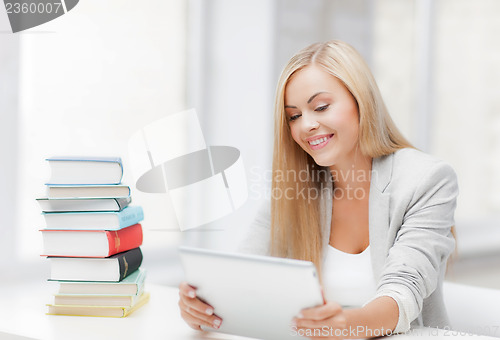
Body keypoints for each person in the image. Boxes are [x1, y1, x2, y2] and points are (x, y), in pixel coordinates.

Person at [178, 40, 458, 338]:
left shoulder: (427, 179)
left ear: (361, 100)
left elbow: (405, 290)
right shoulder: (293, 190)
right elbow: (243, 276)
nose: (306, 125)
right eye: (294, 116)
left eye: (321, 107)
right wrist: (203, 306)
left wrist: (347, 326)